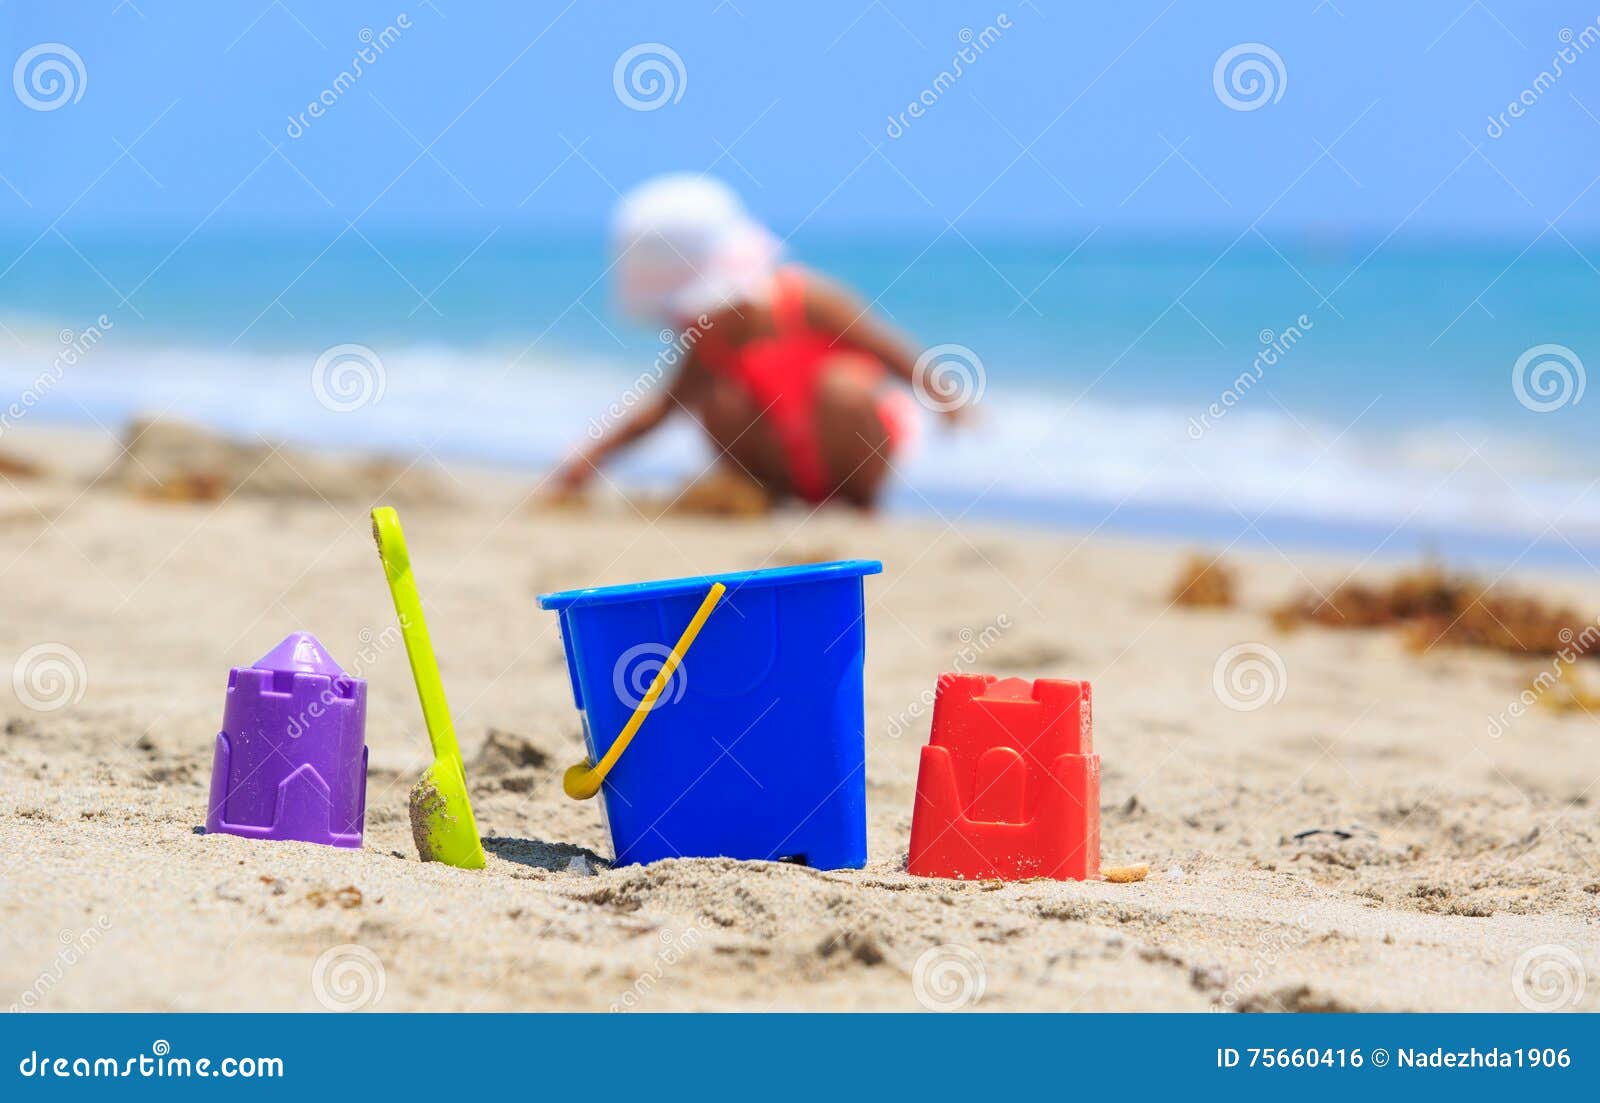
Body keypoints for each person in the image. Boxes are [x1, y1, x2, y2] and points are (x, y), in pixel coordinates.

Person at [552, 174, 957, 509]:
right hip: (780, 466)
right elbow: (662, 408)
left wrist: (944, 398)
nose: (680, 324)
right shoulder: (709, 348)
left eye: (684, 312)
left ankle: (858, 502)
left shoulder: (806, 300)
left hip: (849, 452)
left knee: (845, 386)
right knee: (717, 398)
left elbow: (884, 348)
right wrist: (590, 459)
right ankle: (768, 495)